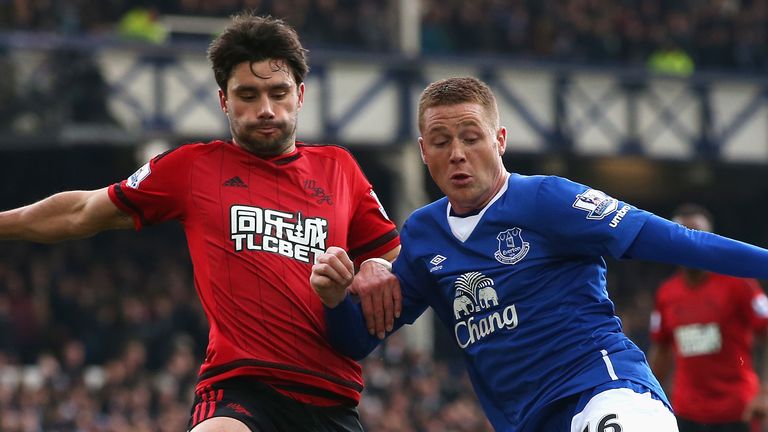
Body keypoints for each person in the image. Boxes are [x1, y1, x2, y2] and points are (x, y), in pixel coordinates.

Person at [0, 13, 402, 432]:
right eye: (247, 95)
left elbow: (408, 270)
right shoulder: (193, 166)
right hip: (241, 390)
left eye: (278, 92)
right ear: (224, 100)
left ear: (299, 95)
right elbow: (82, 211)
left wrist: (382, 266)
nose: (265, 109)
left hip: (331, 399)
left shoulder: (340, 169)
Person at [310, 76, 768, 432]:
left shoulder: (549, 200)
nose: (457, 154)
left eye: (472, 137)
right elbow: (356, 341)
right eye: (441, 141)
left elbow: (677, 240)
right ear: (422, 152)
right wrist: (335, 298)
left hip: (603, 389)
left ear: (500, 140)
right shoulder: (424, 236)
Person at [648, 203, 768, 432]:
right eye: (682, 236)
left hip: (737, 411)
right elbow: (661, 349)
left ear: (711, 239)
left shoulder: (739, 283)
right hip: (686, 412)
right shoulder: (667, 293)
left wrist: (765, 393)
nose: (691, 244)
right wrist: (647, 395)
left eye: (699, 236)